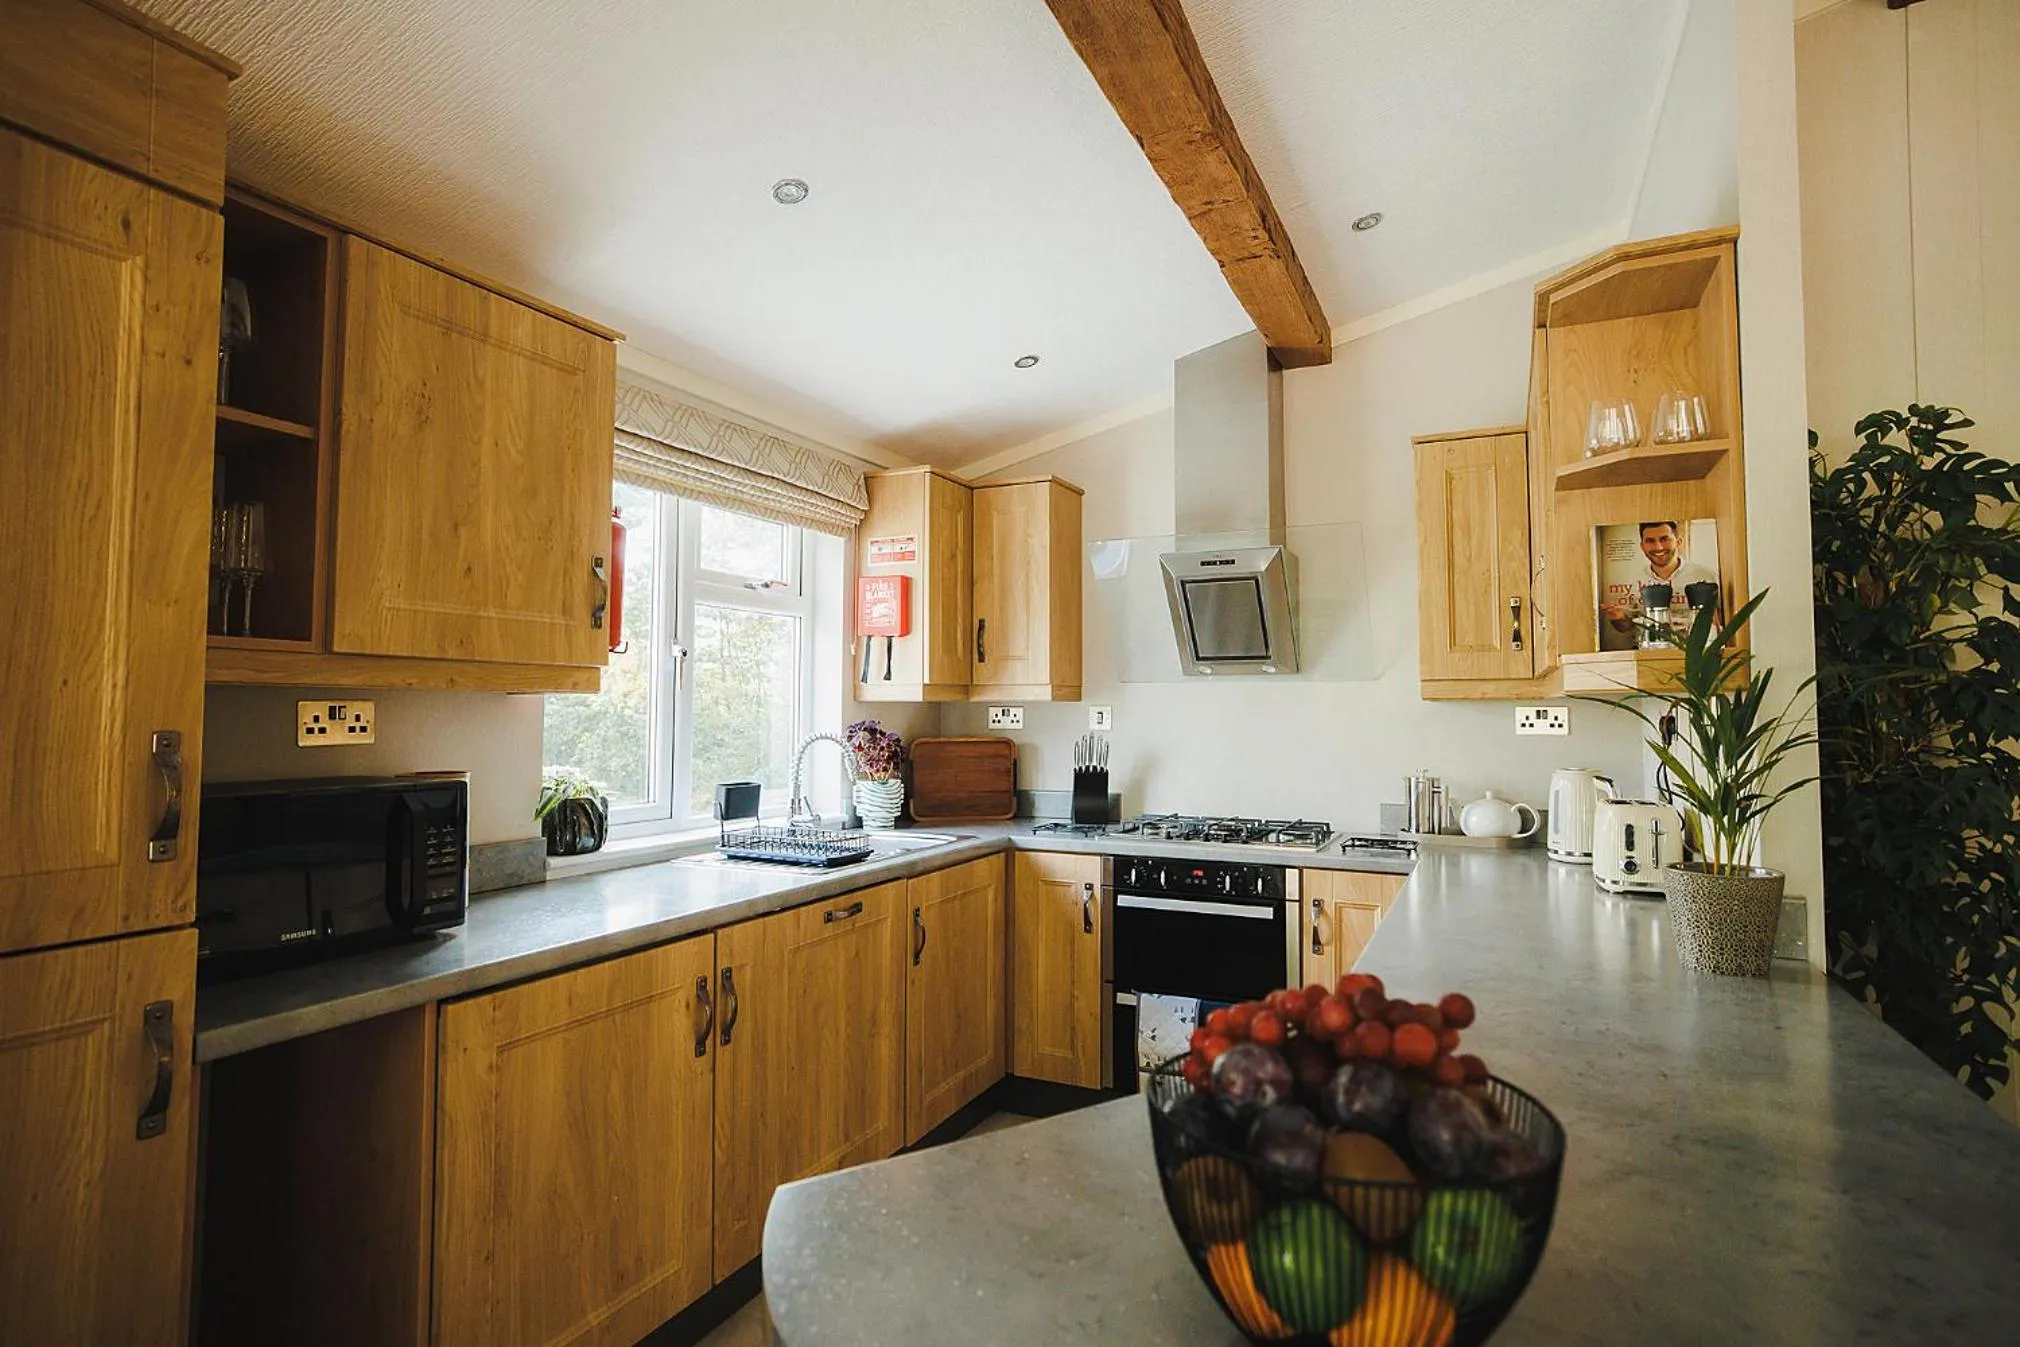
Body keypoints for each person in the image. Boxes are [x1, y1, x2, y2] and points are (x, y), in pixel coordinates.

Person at [1600, 521, 1718, 636]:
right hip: (1650, 652)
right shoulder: (1631, 579)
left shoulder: (1705, 576)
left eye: (1664, 539)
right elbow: (1625, 627)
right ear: (1642, 546)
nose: (1658, 547)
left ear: (1678, 541)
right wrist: (1618, 618)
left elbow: (1719, 622)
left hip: (1697, 652)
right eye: (1650, 541)